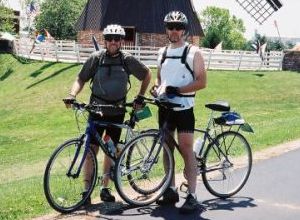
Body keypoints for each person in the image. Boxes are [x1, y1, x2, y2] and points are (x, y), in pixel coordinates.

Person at [64, 24, 151, 204]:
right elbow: (81, 78)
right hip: (96, 111)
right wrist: (72, 95)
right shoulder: (96, 58)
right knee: (90, 151)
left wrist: (141, 96)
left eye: (116, 39)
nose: (113, 42)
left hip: (116, 113)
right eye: (109, 38)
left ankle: (105, 188)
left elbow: (147, 74)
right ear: (105, 40)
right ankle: (86, 191)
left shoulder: (127, 60)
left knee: (111, 152)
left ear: (121, 41)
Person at [152, 11, 206, 213]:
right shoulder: (162, 52)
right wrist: (157, 88)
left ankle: (192, 195)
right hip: (165, 108)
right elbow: (159, 77)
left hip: (184, 108)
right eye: (170, 27)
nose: (174, 30)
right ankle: (170, 189)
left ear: (184, 30)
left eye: (178, 27)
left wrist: (179, 90)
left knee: (185, 149)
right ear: (166, 29)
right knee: (167, 149)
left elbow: (202, 82)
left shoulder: (194, 52)